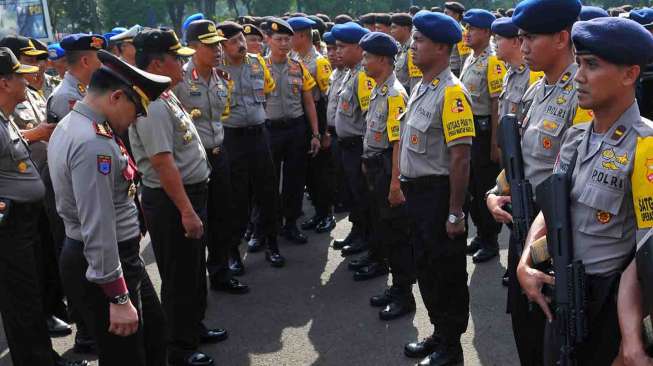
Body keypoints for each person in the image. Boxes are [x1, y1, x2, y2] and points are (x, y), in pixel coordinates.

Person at [518, 15, 653, 366]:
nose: (578, 76)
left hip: (607, 306)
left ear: (629, 74)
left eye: (592, 65)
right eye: (578, 63)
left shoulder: (646, 147)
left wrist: (631, 338)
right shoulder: (577, 136)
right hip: (562, 292)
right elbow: (553, 210)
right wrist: (525, 261)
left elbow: (645, 257)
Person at [48, 48, 170, 366]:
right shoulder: (94, 144)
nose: (136, 119)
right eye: (137, 110)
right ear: (116, 97)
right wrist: (117, 296)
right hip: (104, 261)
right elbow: (98, 225)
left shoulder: (80, 125)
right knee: (125, 356)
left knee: (154, 335)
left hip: (115, 258)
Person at [486, 1, 592, 364]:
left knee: (551, 341)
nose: (523, 45)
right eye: (521, 37)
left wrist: (537, 251)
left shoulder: (582, 97)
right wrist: (495, 192)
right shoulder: (536, 90)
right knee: (524, 329)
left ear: (563, 37)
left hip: (553, 244)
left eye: (531, 37)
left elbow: (577, 187)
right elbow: (523, 161)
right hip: (523, 231)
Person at [129, 27, 224, 366]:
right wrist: (186, 210)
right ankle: (179, 348)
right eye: (177, 59)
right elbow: (162, 161)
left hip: (188, 194)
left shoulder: (164, 93)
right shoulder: (151, 104)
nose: (183, 66)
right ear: (157, 63)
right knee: (179, 276)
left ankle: (193, 328)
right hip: (173, 201)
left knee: (194, 270)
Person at [0, 46, 87, 366]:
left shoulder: (5, 118)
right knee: (21, 299)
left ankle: (41, 358)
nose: (29, 80)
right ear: (4, 83)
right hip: (9, 224)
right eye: (20, 76)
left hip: (24, 218)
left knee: (30, 294)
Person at [399, 11, 472, 366]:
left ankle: (452, 345)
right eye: (414, 39)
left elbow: (460, 158)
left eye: (420, 41)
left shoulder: (453, 93)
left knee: (447, 272)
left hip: (439, 195)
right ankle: (439, 331)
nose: (413, 47)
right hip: (417, 195)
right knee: (426, 267)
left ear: (442, 47)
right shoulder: (422, 86)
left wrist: (455, 211)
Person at [174, 19, 249, 294]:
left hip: (219, 154)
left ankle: (220, 271)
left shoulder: (221, 77)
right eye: (210, 45)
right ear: (193, 48)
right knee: (198, 219)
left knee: (222, 216)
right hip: (193, 159)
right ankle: (194, 283)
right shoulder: (179, 80)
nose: (218, 50)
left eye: (219, 44)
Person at [48, 32, 106, 355]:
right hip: (73, 195)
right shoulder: (64, 96)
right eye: (98, 58)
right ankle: (86, 333)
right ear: (85, 61)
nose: (102, 64)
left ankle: (90, 330)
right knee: (83, 268)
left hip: (83, 188)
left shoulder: (83, 90)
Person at [357, 31, 416, 320]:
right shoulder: (377, 88)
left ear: (383, 59)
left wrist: (395, 182)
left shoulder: (394, 94)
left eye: (368, 57)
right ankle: (396, 287)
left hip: (387, 169)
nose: (364, 61)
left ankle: (404, 294)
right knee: (385, 230)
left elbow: (397, 143)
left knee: (396, 235)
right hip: (376, 166)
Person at [216, 21, 285, 267]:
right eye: (233, 41)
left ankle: (272, 244)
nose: (241, 45)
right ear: (221, 46)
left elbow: (267, 91)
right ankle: (233, 251)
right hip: (231, 138)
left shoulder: (257, 63)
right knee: (236, 197)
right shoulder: (215, 69)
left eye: (241, 40)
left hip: (259, 135)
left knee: (267, 191)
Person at [263, 17, 321, 245]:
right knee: (269, 180)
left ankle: (291, 224)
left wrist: (315, 133)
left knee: (295, 180)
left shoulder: (298, 67)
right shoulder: (259, 67)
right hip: (270, 130)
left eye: (287, 39)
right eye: (278, 39)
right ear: (268, 40)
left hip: (296, 129)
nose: (284, 44)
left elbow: (309, 102)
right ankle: (269, 227)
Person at [459, 9, 506, 264]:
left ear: (487, 33)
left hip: (485, 128)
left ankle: (490, 240)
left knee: (485, 185)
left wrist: (495, 143)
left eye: (473, 29)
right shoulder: (471, 57)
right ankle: (480, 234)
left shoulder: (492, 61)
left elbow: (496, 103)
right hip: (470, 126)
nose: (467, 33)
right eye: (467, 28)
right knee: (473, 186)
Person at [288, 16, 336, 236]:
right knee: (308, 173)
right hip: (301, 119)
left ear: (302, 36)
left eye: (291, 35)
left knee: (320, 172)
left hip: (317, 116)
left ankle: (327, 214)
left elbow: (326, 99)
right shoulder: (294, 58)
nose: (287, 39)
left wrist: (324, 131)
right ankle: (318, 212)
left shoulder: (319, 62)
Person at [332, 22, 375, 256]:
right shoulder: (351, 73)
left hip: (359, 146)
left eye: (342, 47)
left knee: (362, 196)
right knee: (352, 194)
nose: (337, 52)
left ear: (359, 49)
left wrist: (366, 155)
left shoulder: (363, 77)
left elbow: (370, 118)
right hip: (345, 146)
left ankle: (366, 238)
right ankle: (357, 231)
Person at [391, 13, 421, 94]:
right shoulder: (399, 48)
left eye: (394, 27)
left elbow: (415, 83)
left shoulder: (412, 50)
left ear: (405, 29)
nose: (391, 31)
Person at [443, 2, 470, 76]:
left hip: (455, 71)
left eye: (446, 13)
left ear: (456, 15)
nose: (444, 15)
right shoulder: (447, 29)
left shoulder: (462, 33)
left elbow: (464, 58)